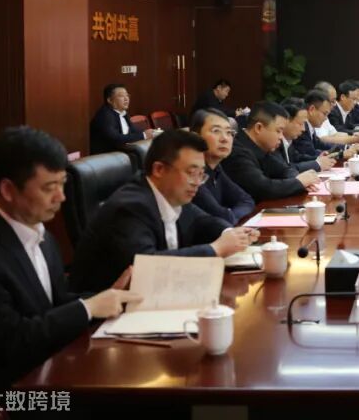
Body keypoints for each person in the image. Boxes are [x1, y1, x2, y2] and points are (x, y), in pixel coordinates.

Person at [0, 127, 142, 389]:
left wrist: (110, 295)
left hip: (45, 371)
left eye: (62, 184)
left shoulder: (41, 235)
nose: (61, 197)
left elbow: (53, 304)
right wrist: (88, 308)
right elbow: (10, 342)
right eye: (49, 187)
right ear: (8, 190)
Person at [70, 130, 257, 292]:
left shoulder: (172, 194)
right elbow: (148, 265)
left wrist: (231, 234)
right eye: (191, 173)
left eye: (201, 174)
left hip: (157, 294)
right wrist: (215, 249)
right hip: (106, 313)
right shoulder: (130, 207)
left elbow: (202, 221)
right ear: (159, 169)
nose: (197, 182)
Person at [222, 102, 320, 201]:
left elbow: (285, 169)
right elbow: (264, 189)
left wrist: (299, 179)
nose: (281, 137)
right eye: (278, 131)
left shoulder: (264, 146)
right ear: (259, 128)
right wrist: (299, 182)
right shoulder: (237, 152)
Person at [189, 107, 256, 224]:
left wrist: (231, 215)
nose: (225, 139)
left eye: (229, 132)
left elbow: (247, 200)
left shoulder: (215, 167)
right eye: (216, 131)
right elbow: (221, 216)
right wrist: (230, 215)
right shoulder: (191, 171)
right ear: (195, 137)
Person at [89, 83, 152, 154]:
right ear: (109, 100)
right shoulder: (105, 115)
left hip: (119, 151)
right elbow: (115, 138)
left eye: (127, 95)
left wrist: (150, 132)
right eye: (121, 96)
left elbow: (132, 130)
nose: (126, 99)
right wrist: (144, 135)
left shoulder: (122, 112)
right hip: (105, 156)